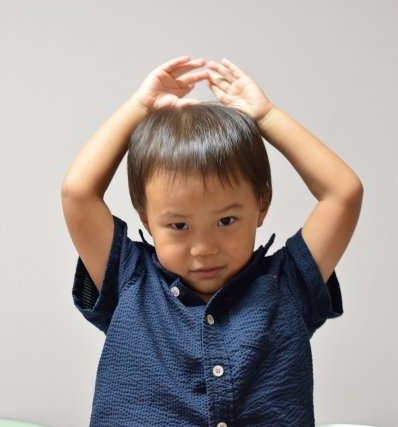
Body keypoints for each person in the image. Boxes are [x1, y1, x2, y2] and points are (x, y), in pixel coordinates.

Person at [61, 56, 363, 426]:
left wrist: (266, 117)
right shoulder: (130, 278)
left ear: (261, 205)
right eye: (178, 226)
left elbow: (343, 193)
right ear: (146, 219)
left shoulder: (289, 284)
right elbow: (78, 193)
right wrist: (139, 109)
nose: (204, 248)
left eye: (226, 220)